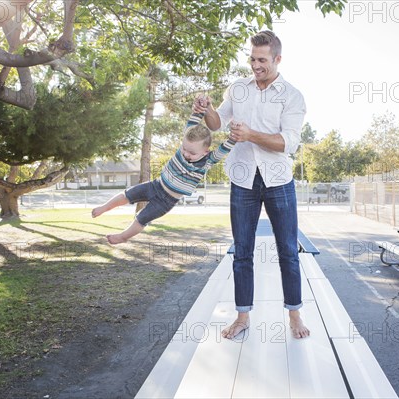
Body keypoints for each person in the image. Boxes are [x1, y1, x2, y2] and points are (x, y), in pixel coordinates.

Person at [193, 30, 309, 339]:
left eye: (262, 60)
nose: (255, 65)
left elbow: (288, 143)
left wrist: (251, 134)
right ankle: (242, 316)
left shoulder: (292, 96)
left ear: (277, 59)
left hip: (278, 181)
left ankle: (294, 314)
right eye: (252, 59)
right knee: (242, 251)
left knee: (288, 250)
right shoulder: (238, 89)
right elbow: (218, 124)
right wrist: (207, 111)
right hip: (242, 180)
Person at [92, 112, 235, 244]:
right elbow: (191, 125)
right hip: (155, 185)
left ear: (205, 151)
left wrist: (233, 138)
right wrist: (198, 111)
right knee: (128, 194)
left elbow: (223, 150)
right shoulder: (183, 148)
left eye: (192, 153)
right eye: (184, 149)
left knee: (142, 218)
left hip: (166, 201)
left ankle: (123, 237)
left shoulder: (207, 161)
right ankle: (104, 207)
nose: (186, 154)